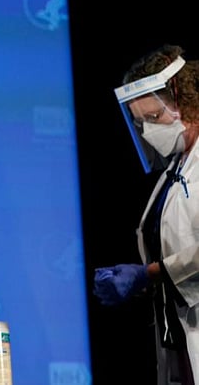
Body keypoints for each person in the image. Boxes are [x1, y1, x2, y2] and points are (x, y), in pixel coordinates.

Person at [93, 44, 199, 385]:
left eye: (153, 119)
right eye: (140, 123)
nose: (149, 132)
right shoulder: (176, 169)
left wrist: (149, 274)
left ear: (185, 102)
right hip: (182, 337)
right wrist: (143, 280)